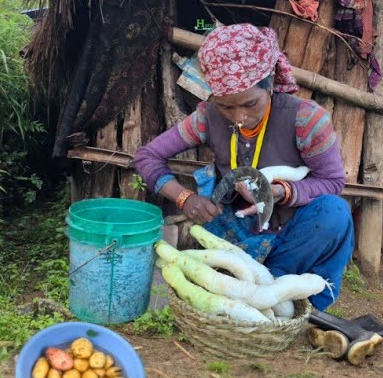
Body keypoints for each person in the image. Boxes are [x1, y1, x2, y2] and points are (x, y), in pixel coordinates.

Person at [134, 24, 354, 310]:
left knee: (335, 212)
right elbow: (147, 157)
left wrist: (279, 192)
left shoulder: (306, 120)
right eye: (226, 106)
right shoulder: (207, 117)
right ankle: (262, 292)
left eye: (250, 104)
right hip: (235, 229)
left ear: (270, 83)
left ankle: (278, 289)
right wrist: (184, 198)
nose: (239, 116)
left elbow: (332, 181)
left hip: (293, 231)